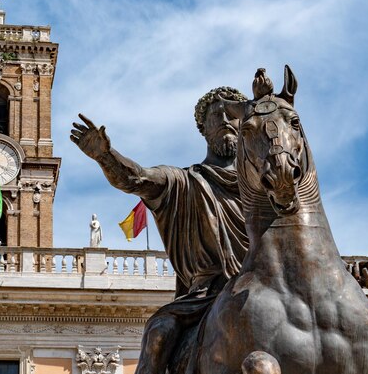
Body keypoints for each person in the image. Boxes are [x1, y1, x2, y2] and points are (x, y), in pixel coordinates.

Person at [71, 87, 249, 374]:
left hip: (259, 284)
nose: (227, 121)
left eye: (234, 114)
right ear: (203, 127)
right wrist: (105, 156)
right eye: (218, 115)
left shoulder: (266, 187)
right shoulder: (183, 181)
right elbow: (136, 178)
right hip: (204, 295)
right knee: (159, 333)